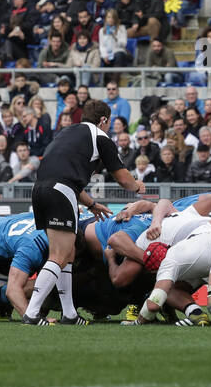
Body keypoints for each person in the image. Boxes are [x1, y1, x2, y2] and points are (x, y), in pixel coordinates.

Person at [23, 99, 145, 323]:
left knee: (67, 254)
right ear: (104, 120)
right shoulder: (101, 136)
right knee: (59, 256)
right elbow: (123, 179)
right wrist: (137, 185)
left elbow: (62, 172)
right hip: (61, 191)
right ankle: (32, 313)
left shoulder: (66, 132)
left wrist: (91, 204)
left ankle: (69, 313)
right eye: (109, 122)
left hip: (40, 189)